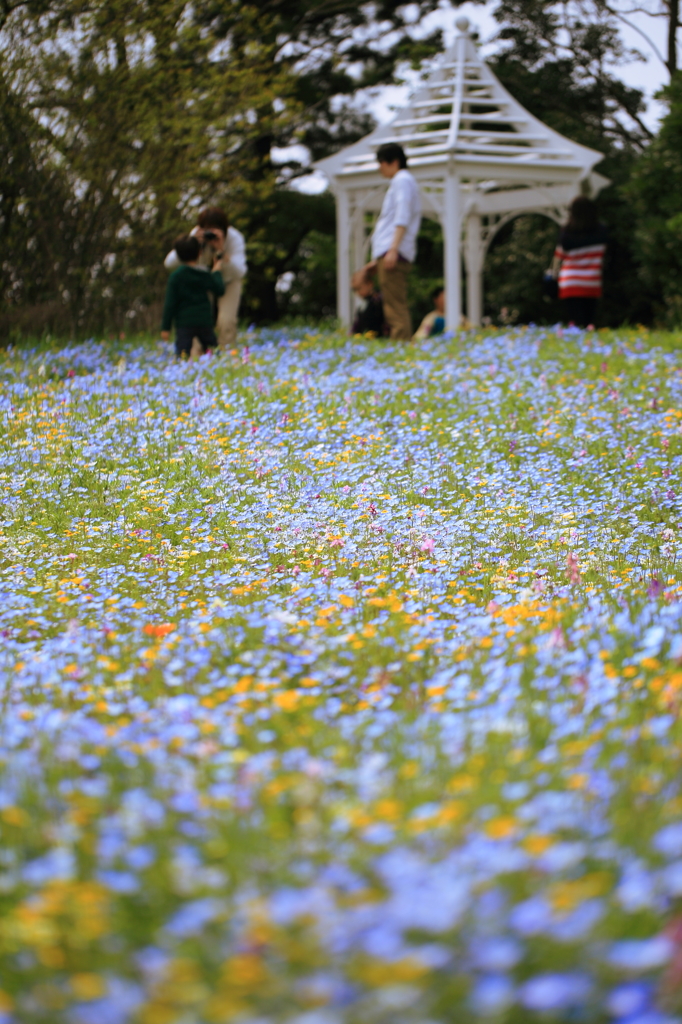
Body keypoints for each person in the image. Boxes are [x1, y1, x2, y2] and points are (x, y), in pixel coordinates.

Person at [164, 206, 247, 351]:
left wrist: (222, 251)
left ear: (225, 228)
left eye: (215, 229)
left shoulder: (235, 238)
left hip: (228, 281)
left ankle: (226, 357)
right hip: (202, 281)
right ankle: (198, 361)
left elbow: (240, 272)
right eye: (207, 229)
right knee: (198, 320)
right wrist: (192, 243)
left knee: (226, 321)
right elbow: (169, 263)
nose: (210, 233)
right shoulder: (196, 235)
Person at [365, 142, 421, 341]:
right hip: (391, 251)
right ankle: (401, 350)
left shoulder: (402, 180)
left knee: (395, 307)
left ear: (394, 162)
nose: (379, 167)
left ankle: (401, 352)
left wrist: (392, 249)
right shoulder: (403, 181)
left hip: (394, 251)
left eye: (381, 162)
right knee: (393, 304)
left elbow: (402, 214)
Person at [160, 235, 225, 359]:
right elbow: (219, 290)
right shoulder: (204, 273)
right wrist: (216, 271)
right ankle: (220, 365)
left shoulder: (176, 276)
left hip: (184, 323)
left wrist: (165, 328)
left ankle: (182, 372)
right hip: (204, 321)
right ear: (199, 252)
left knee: (182, 353)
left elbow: (170, 304)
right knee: (213, 350)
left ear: (178, 256)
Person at [551, 196, 608, 328]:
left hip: (570, 281)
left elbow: (557, 258)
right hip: (592, 280)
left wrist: (552, 276)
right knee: (589, 322)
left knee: (576, 321)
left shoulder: (566, 232)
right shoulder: (601, 231)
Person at [351, 268, 386, 336]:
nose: (358, 292)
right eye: (355, 290)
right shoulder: (363, 303)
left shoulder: (378, 300)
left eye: (359, 288)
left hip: (378, 336)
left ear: (370, 284)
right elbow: (358, 323)